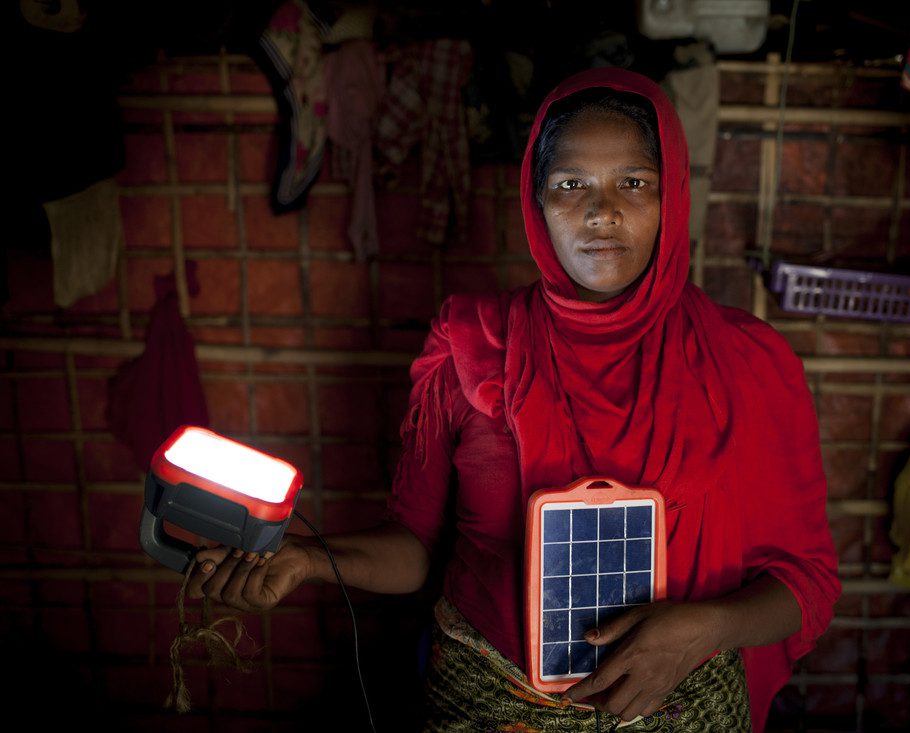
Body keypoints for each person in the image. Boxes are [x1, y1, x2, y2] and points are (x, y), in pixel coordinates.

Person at [188, 67, 840, 732]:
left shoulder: (747, 362)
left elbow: (807, 583)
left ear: (672, 194)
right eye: (571, 184)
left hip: (681, 705)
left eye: (634, 183)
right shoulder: (473, 343)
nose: (601, 210)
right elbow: (414, 547)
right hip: (487, 703)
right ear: (536, 201)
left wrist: (708, 625)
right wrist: (306, 560)